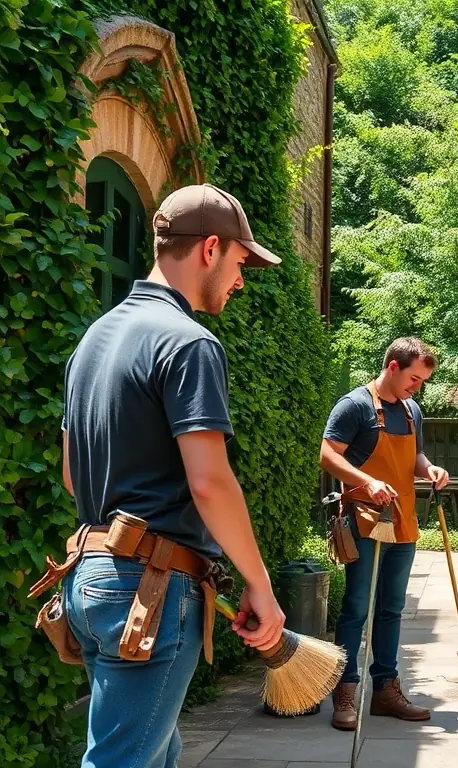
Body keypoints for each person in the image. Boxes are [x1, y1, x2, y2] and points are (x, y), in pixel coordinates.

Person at [56, 184, 287, 768]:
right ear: (210, 249)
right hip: (150, 591)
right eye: (239, 263)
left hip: (89, 577)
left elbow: (70, 475)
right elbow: (210, 482)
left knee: (154, 752)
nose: (240, 280)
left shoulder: (93, 339)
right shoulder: (189, 344)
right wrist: (258, 584)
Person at [320, 337, 450, 730]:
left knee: (392, 609)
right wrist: (367, 480)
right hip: (362, 522)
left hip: (403, 522)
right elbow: (327, 455)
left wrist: (429, 469)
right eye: (414, 378)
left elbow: (415, 458)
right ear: (392, 367)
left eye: (422, 381)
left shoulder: (412, 410)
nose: (417, 387)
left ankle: (385, 691)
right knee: (356, 607)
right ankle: (344, 691)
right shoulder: (354, 406)